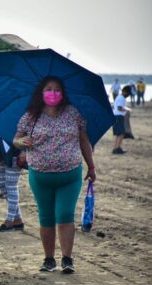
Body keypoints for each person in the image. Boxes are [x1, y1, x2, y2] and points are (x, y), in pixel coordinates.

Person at [13, 76, 96, 274]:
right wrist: (22, 141)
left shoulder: (73, 113)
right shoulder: (30, 116)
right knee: (46, 217)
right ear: (41, 92)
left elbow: (84, 140)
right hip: (40, 176)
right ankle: (49, 259)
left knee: (65, 215)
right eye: (49, 89)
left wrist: (91, 167)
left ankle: (67, 259)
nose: (53, 92)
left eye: (57, 89)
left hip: (70, 174)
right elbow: (16, 139)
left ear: (63, 93)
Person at [0, 138, 25, 232]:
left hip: (15, 153)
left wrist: (24, 150)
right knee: (3, 186)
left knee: (11, 186)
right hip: (3, 153)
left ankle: (10, 220)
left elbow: (28, 132)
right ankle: (18, 220)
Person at [111, 85, 131, 154]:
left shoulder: (119, 97)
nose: (128, 95)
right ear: (124, 91)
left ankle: (115, 148)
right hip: (119, 116)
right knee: (121, 133)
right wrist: (127, 110)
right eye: (128, 93)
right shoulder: (121, 98)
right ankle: (118, 148)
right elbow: (119, 108)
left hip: (116, 116)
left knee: (118, 134)